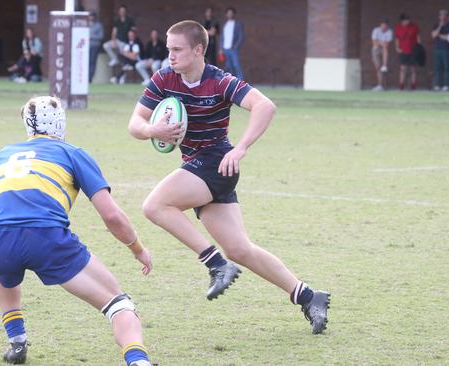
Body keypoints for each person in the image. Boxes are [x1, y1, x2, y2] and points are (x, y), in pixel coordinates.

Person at [127, 20, 330, 334]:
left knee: (155, 206)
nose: (170, 56)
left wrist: (242, 148)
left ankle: (215, 264)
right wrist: (152, 129)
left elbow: (265, 106)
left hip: (216, 163)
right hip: (200, 167)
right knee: (240, 249)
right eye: (169, 49)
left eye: (177, 50)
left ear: (198, 50)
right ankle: (308, 295)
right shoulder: (165, 78)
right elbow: (135, 123)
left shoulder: (220, 81)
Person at [0, 96, 154, 366]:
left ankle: (17, 342)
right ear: (60, 123)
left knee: (3, 266)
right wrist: (138, 248)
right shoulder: (72, 153)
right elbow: (112, 216)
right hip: (45, 238)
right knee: (119, 304)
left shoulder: (1, 155)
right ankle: (138, 360)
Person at [394, 13, 421, 90]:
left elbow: (418, 38)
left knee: (413, 69)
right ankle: (401, 86)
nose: (407, 21)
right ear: (402, 21)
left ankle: (413, 86)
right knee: (403, 68)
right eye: (405, 20)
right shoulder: (398, 27)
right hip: (403, 51)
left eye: (408, 20)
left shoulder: (414, 26)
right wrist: (397, 48)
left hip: (413, 51)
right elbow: (397, 39)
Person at [431, 9, 449, 91]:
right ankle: (437, 85)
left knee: (446, 67)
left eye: (444, 15)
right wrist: (440, 27)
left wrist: (439, 35)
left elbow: (448, 38)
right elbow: (433, 35)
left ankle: (446, 85)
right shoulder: (436, 25)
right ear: (439, 16)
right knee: (437, 68)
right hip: (437, 49)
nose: (443, 16)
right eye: (441, 15)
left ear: (447, 16)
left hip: (446, 49)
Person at [220, 7, 244, 79]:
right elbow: (222, 37)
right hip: (225, 49)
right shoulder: (224, 24)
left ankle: (241, 82)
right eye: (228, 13)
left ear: (233, 14)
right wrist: (221, 48)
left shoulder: (237, 24)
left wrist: (236, 46)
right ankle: (231, 83)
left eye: (231, 13)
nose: (229, 14)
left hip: (233, 49)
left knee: (236, 65)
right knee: (228, 67)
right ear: (226, 14)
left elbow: (241, 36)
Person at [371, 20, 393, 91]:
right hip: (376, 49)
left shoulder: (389, 32)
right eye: (382, 26)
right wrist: (382, 42)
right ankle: (380, 85)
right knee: (378, 67)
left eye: (385, 27)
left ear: (387, 27)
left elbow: (387, 45)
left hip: (384, 49)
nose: (383, 28)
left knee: (385, 49)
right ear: (380, 25)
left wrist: (379, 42)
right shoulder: (376, 30)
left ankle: (384, 65)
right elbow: (374, 43)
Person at [88, 11, 104, 82]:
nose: (91, 17)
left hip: (94, 45)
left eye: (92, 16)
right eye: (90, 16)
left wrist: (92, 36)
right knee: (86, 62)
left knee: (92, 62)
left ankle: (90, 78)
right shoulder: (85, 24)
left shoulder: (98, 25)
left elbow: (101, 36)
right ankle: (84, 78)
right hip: (86, 46)